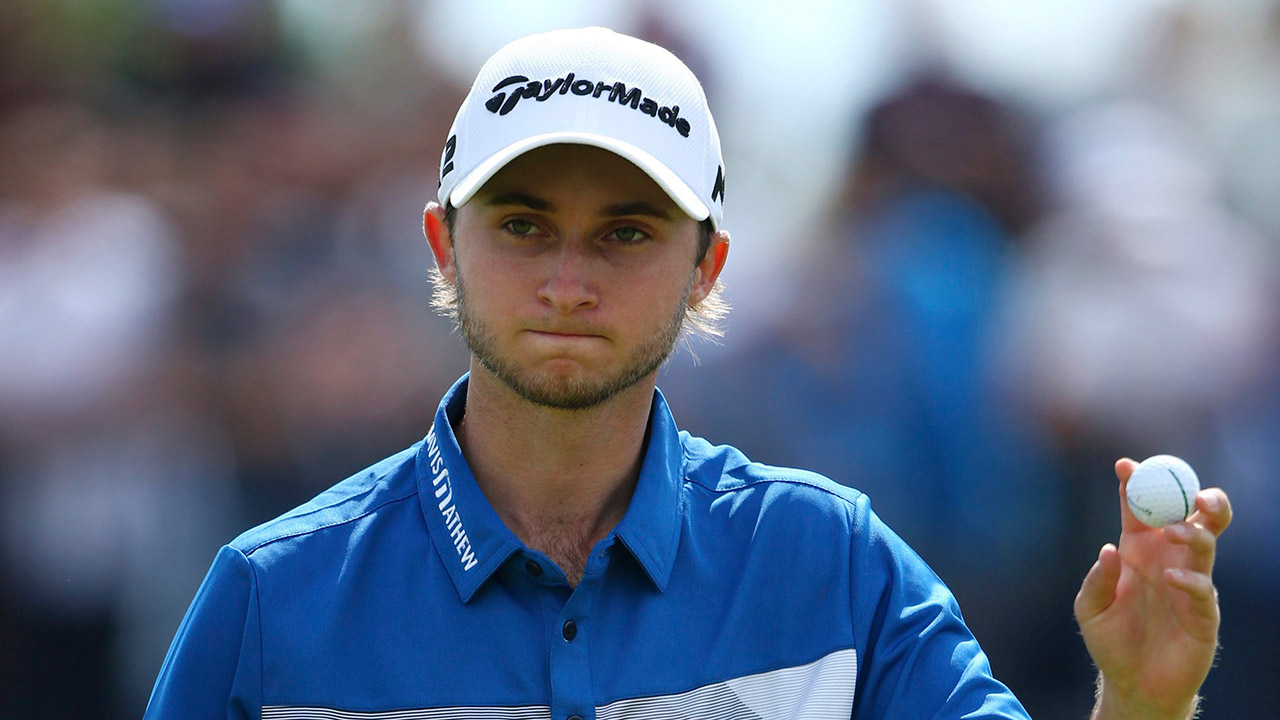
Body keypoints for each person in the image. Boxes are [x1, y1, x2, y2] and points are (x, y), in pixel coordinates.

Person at [144, 27, 1232, 720]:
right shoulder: (271, 596)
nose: (568, 281)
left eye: (624, 234)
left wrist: (1140, 704)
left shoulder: (831, 565)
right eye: (522, 226)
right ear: (442, 247)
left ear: (705, 266)